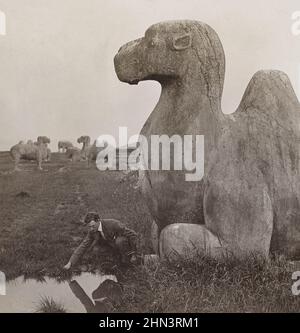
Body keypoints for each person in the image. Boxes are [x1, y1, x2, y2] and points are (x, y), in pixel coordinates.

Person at [63, 212, 138, 270]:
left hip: (124, 244)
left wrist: (134, 254)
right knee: (96, 249)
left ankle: (128, 261)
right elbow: (83, 246)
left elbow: (133, 235)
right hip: (111, 245)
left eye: (93, 226)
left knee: (120, 241)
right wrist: (70, 263)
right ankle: (114, 261)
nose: (91, 229)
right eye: (89, 227)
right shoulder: (92, 232)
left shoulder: (113, 224)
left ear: (98, 220)